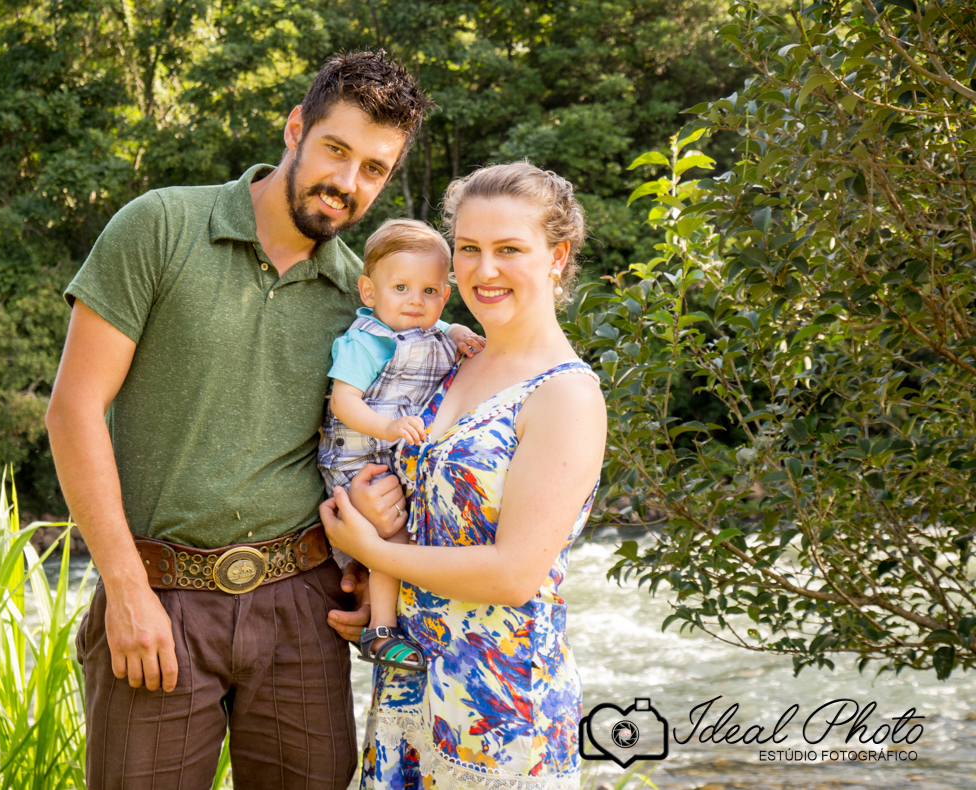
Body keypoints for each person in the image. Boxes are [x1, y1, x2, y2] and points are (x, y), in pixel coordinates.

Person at [45, 51, 431, 789]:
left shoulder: (363, 304)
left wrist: (361, 568)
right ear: (295, 130)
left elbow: (358, 449)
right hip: (157, 595)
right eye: (337, 150)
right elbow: (73, 411)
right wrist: (124, 589)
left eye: (374, 169)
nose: (348, 184)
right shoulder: (160, 226)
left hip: (301, 608)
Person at [320, 161, 607, 788]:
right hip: (409, 687)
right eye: (469, 249)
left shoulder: (565, 395)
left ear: (558, 257)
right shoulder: (453, 358)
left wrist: (370, 550)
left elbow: (512, 574)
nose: (484, 270)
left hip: (498, 709)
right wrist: (374, 587)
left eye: (510, 249)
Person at [317, 218, 485, 673]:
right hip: (360, 458)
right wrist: (388, 427)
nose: (415, 300)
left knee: (404, 533)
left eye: (429, 292)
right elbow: (343, 401)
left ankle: (382, 609)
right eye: (401, 288)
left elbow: (439, 328)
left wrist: (455, 333)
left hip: (396, 457)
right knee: (392, 533)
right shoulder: (366, 342)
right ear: (369, 293)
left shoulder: (434, 331)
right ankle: (382, 630)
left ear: (444, 296)